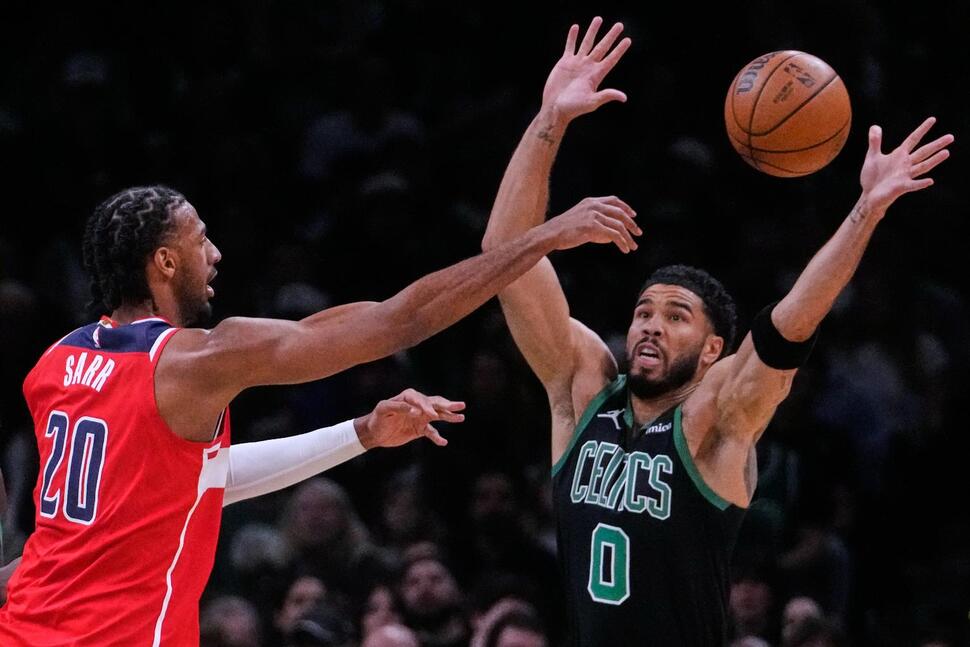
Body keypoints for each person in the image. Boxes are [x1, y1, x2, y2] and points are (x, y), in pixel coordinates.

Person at [0, 171, 638, 643]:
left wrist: (361, 433)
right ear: (165, 262)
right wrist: (540, 239)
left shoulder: (53, 364)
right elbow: (399, 321)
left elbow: (194, 481)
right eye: (200, 240)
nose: (215, 254)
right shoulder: (194, 361)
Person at [481, 17, 953, 646]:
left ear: (713, 351)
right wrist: (550, 120)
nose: (650, 326)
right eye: (644, 312)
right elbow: (504, 255)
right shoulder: (581, 388)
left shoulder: (716, 421)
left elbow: (789, 327)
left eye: (676, 316)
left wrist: (865, 210)